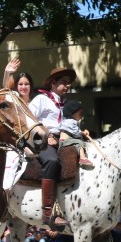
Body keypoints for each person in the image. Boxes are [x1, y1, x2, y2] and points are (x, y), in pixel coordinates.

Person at [29, 66, 77, 230]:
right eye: (64, 82)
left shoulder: (66, 104)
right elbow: (29, 120)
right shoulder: (41, 99)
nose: (67, 85)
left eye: (68, 83)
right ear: (53, 83)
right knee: (52, 161)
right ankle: (48, 214)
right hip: (43, 140)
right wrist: (46, 135)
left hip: (63, 139)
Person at [58, 100, 94, 169]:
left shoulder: (69, 121)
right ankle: (83, 158)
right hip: (65, 141)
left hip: (67, 140)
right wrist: (82, 133)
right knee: (79, 142)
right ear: (72, 113)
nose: (81, 116)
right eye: (80, 114)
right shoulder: (70, 122)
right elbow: (76, 133)